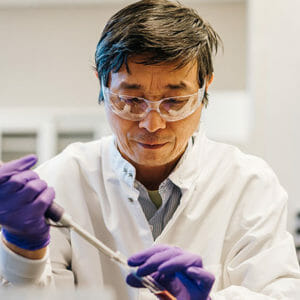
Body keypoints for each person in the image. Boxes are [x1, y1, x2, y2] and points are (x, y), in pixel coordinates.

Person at [0, 0, 299, 299]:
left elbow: (279, 293)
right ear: (102, 86)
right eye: (131, 100)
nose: (153, 124)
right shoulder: (61, 181)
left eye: (175, 102)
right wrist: (24, 250)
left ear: (205, 87)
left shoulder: (249, 184)